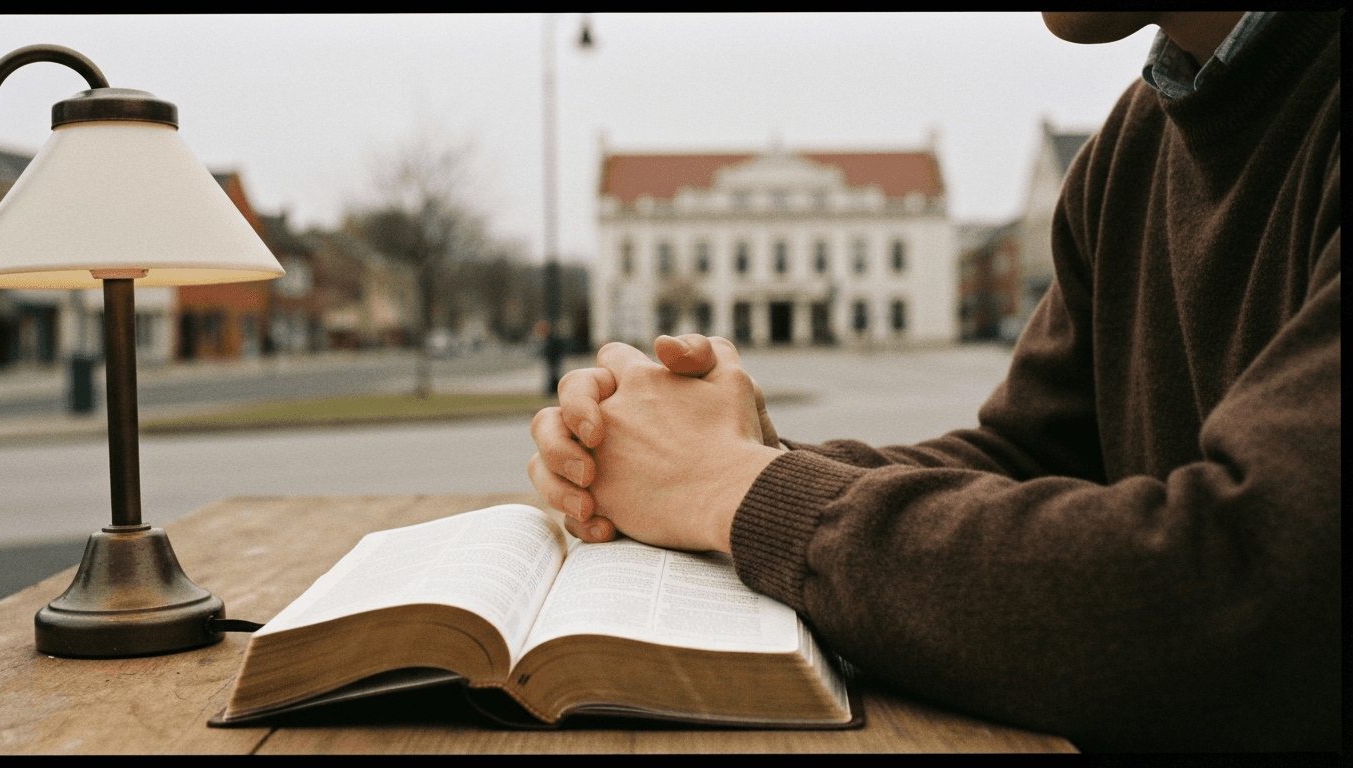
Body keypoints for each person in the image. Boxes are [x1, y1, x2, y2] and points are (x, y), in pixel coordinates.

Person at [527, 12, 1340, 752]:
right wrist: (729, 457)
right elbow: (1026, 457)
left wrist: (734, 487)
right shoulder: (1137, 141)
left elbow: (1261, 593)